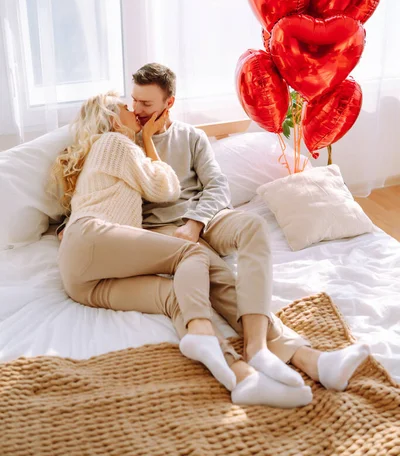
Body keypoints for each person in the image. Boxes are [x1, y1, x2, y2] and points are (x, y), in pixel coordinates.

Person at [50, 91, 312, 407]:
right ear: (112, 118)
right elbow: (167, 187)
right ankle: (214, 336)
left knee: (176, 298)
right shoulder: (115, 144)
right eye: (125, 106)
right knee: (192, 253)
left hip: (81, 281)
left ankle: (240, 375)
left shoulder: (103, 155)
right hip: (93, 238)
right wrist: (146, 137)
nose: (133, 110)